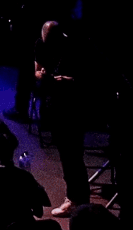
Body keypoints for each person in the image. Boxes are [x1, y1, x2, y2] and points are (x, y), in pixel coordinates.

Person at [35, 21, 90, 216]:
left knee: (73, 156)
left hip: (73, 107)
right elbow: (36, 70)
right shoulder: (41, 44)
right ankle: (76, 198)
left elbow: (89, 79)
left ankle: (77, 199)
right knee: (66, 156)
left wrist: (68, 80)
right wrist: (43, 75)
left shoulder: (74, 48)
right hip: (55, 106)